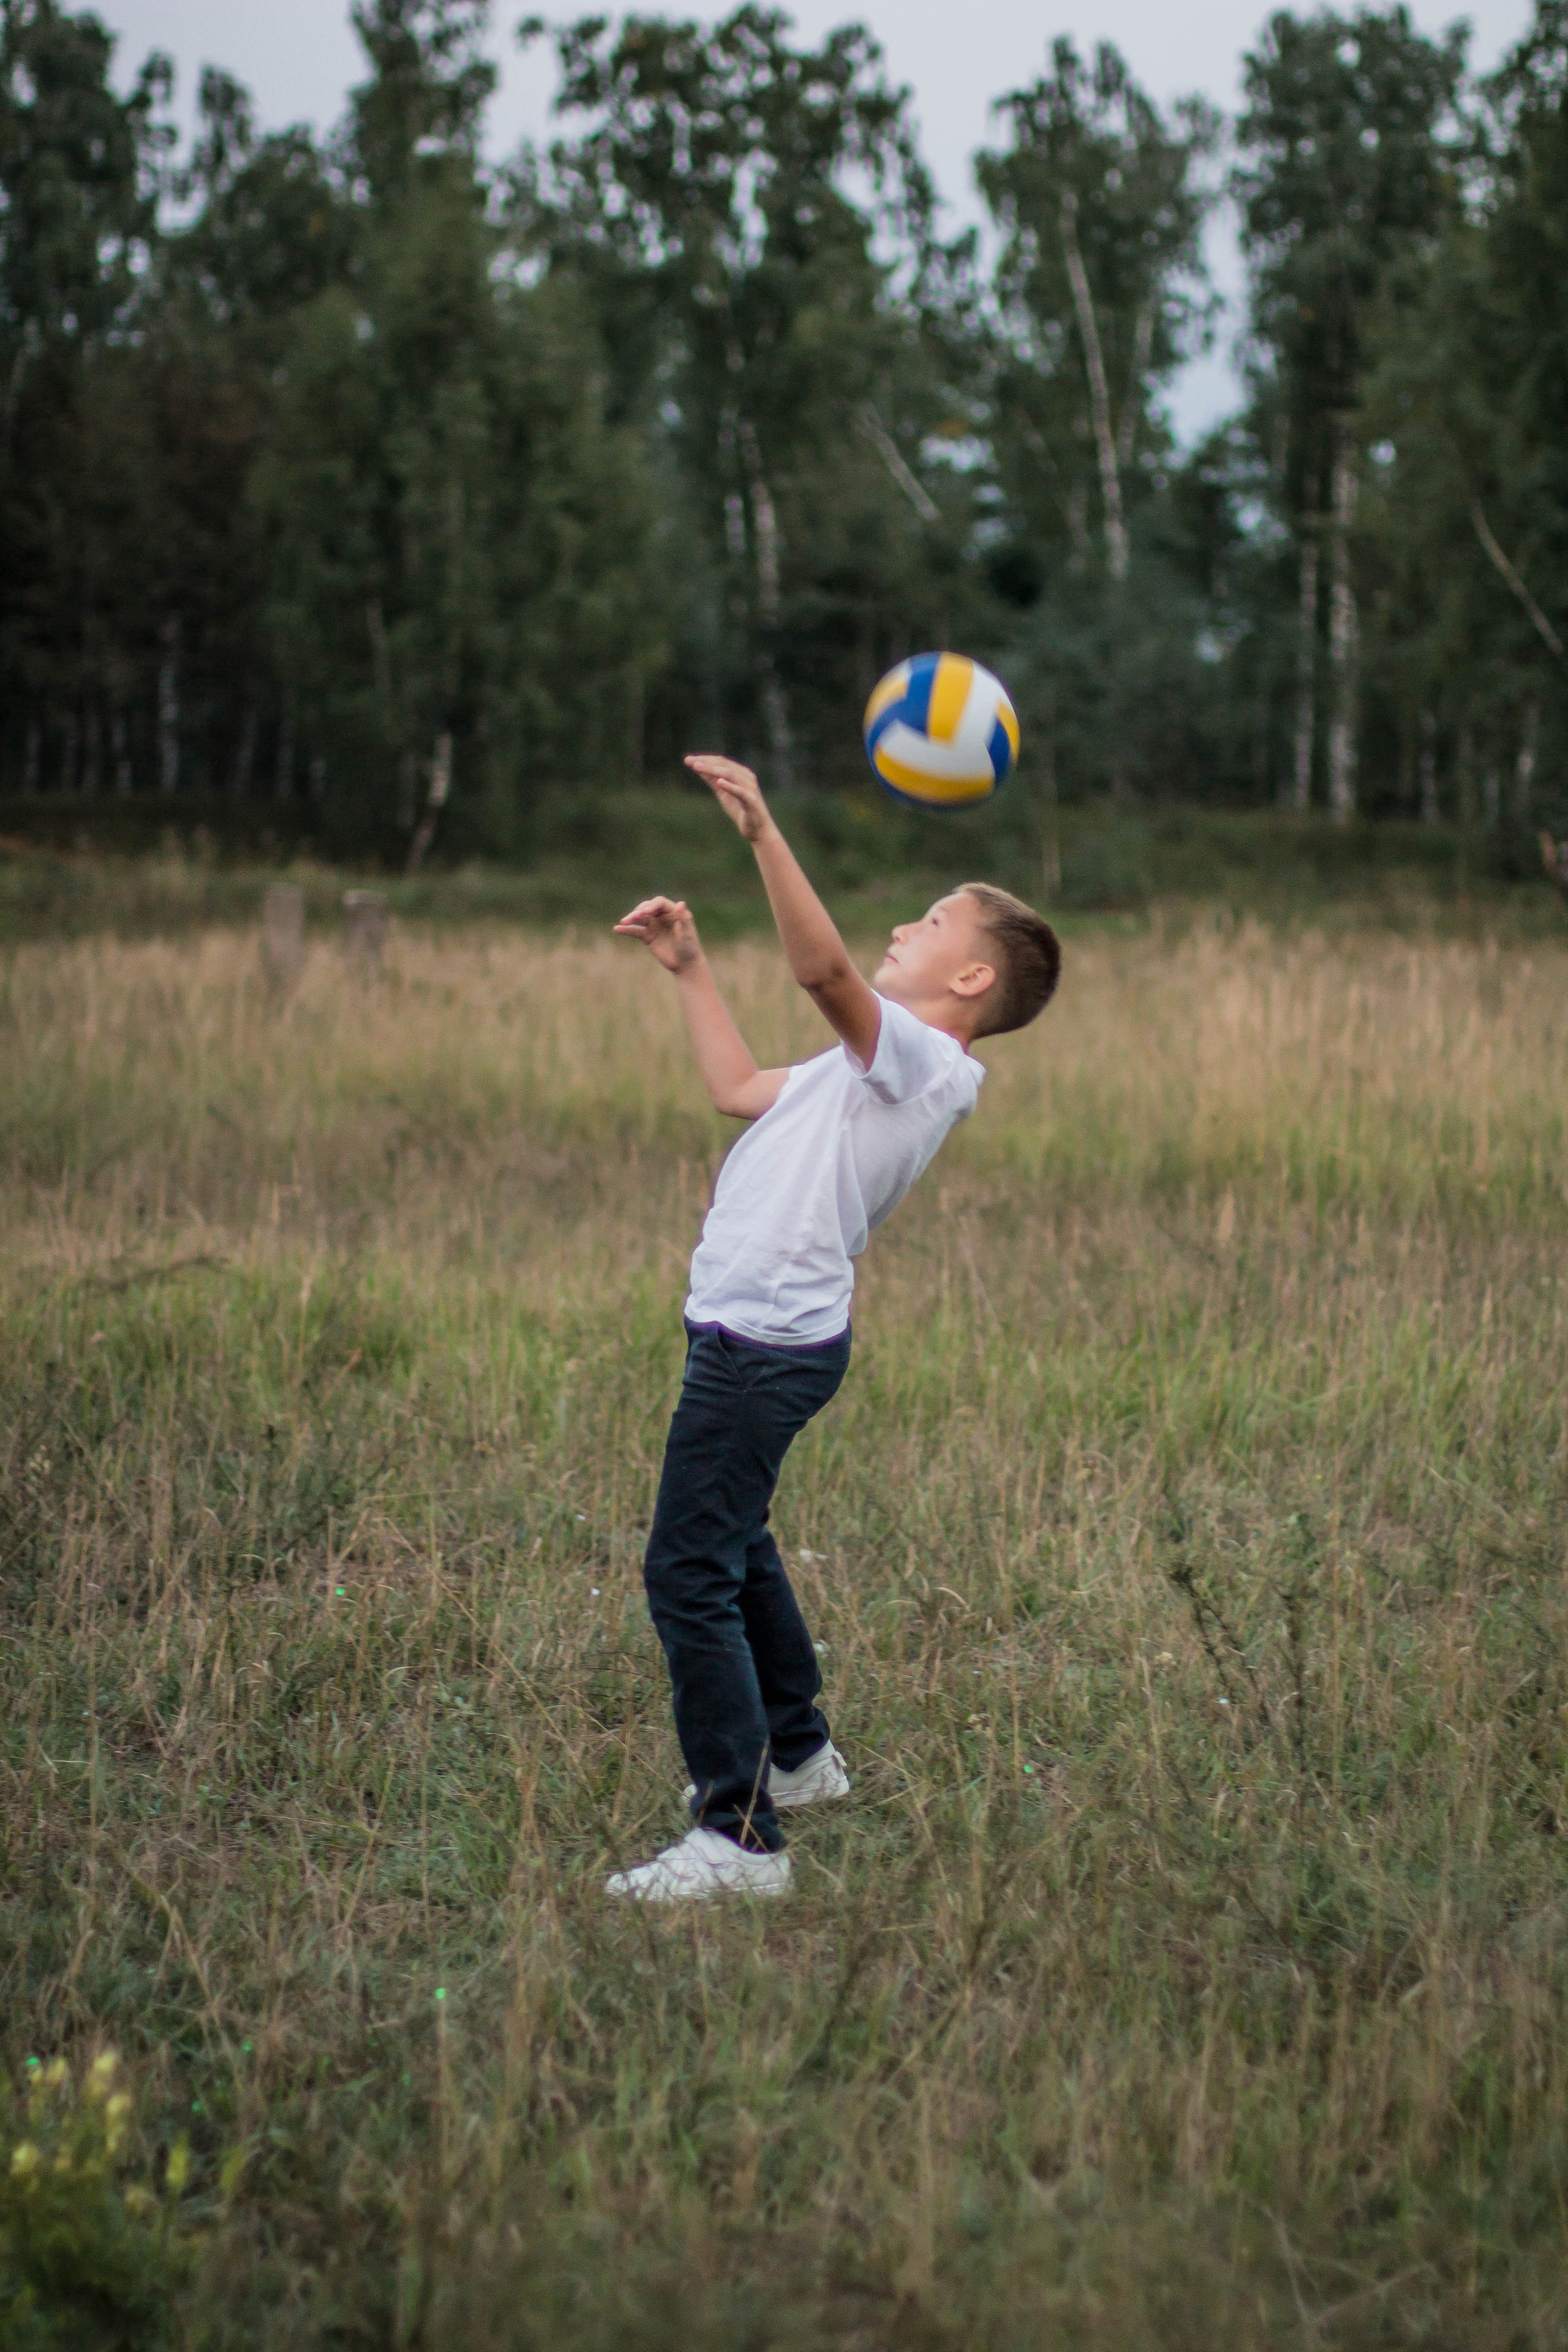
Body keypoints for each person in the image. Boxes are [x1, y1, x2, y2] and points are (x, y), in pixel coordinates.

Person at [606, 754, 1060, 1902]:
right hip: (749, 1336)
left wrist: (762, 828)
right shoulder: (866, 1065)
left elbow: (819, 969)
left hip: (763, 1348)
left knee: (687, 1570)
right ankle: (800, 1759)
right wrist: (691, 969)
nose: (904, 924)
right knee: (738, 1541)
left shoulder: (927, 1064)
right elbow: (738, 1087)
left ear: (969, 976)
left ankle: (739, 1840)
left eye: (932, 919)